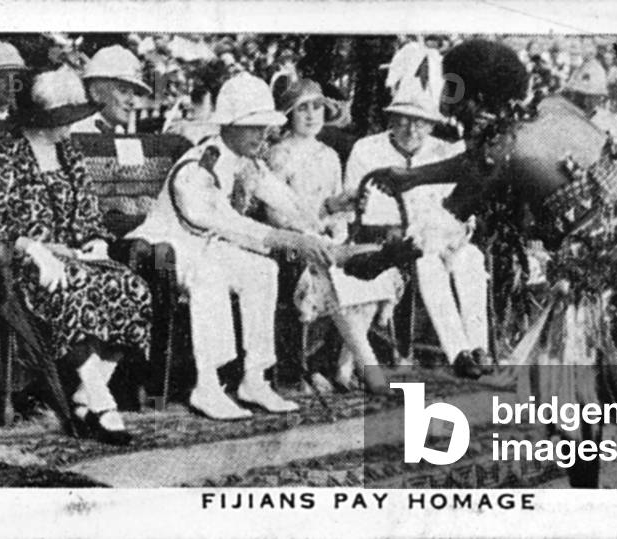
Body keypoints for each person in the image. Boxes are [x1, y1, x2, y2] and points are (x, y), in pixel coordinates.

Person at [364, 39, 617, 488]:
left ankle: (584, 498)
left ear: (481, 98)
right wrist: (412, 176)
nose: (450, 107)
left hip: (613, 262)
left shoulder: (498, 151)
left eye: (455, 93)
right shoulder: (552, 109)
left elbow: (444, 224)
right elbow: (485, 161)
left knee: (564, 391)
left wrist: (375, 261)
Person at [0, 68, 153, 445]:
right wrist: (32, 247)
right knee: (72, 285)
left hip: (73, 256)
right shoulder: (0, 153)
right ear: (40, 118)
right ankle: (101, 401)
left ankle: (86, 395)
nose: (70, 127)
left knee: (132, 286)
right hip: (23, 264)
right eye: (63, 120)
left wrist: (95, 241)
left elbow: (89, 212)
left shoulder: (67, 151)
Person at [127, 72, 331, 419]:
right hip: (164, 250)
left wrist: (319, 232)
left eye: (264, 125)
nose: (262, 133)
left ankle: (254, 377)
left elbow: (287, 202)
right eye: (252, 126)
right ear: (229, 126)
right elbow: (225, 223)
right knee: (210, 275)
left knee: (262, 269)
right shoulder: (198, 165)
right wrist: (289, 239)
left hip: (206, 245)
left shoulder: (247, 162)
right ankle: (207, 385)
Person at [344, 42, 491, 380]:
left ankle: (479, 346)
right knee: (427, 264)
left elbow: (460, 204)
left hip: (447, 238)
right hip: (394, 241)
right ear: (391, 118)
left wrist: (459, 236)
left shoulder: (447, 151)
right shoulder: (367, 150)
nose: (412, 129)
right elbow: (361, 209)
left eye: (421, 121)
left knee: (472, 260)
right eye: (404, 119)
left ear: (432, 123)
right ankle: (458, 352)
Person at [265, 79, 401, 393]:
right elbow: (276, 214)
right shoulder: (279, 155)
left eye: (317, 108)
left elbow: (338, 210)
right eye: (302, 109)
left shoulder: (329, 155)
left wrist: (342, 214)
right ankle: (366, 369)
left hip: (331, 238)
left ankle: (344, 364)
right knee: (332, 275)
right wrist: (319, 221)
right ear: (289, 114)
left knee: (371, 266)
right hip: (295, 243)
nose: (311, 115)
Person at [70, 45, 152, 134]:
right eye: (123, 90)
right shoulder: (74, 132)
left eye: (136, 93)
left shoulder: (120, 133)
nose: (132, 101)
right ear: (95, 92)